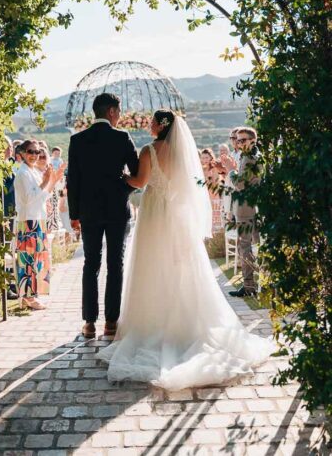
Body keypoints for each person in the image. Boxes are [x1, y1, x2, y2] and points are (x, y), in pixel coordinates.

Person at [98, 111, 273, 389]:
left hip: (155, 215)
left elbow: (140, 182)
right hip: (177, 216)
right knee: (182, 266)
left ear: (160, 125)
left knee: (152, 266)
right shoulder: (181, 153)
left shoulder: (149, 150)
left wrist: (122, 176)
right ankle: (186, 326)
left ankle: (153, 325)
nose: (149, 125)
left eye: (152, 121)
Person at [67, 92, 139, 339]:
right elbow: (138, 174)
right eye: (118, 112)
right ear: (111, 112)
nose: (119, 117)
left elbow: (72, 181)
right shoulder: (121, 137)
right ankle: (111, 322)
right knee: (115, 264)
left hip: (88, 211)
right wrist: (123, 190)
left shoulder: (77, 140)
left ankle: (89, 323)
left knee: (91, 264)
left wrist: (74, 214)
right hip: (118, 210)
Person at [13, 140, 63, 309]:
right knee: (28, 259)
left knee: (37, 258)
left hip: (37, 219)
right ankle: (28, 297)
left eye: (37, 152)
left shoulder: (33, 171)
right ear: (22, 153)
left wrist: (52, 181)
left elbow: (43, 196)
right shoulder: (23, 173)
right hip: (28, 221)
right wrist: (46, 181)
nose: (34, 155)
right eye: (31, 152)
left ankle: (33, 295)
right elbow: (29, 198)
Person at [225, 127, 262, 297]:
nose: (238, 143)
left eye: (242, 140)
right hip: (252, 207)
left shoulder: (248, 159)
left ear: (252, 140)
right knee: (256, 244)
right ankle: (259, 282)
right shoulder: (253, 155)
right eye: (237, 140)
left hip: (246, 208)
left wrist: (231, 171)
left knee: (245, 246)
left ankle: (249, 286)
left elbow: (240, 184)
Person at [200, 148, 223, 233]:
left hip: (213, 196)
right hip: (204, 196)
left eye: (206, 157)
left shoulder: (214, 169)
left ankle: (216, 240)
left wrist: (207, 179)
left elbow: (216, 185)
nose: (204, 160)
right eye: (202, 158)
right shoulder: (201, 169)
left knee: (215, 220)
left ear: (210, 158)